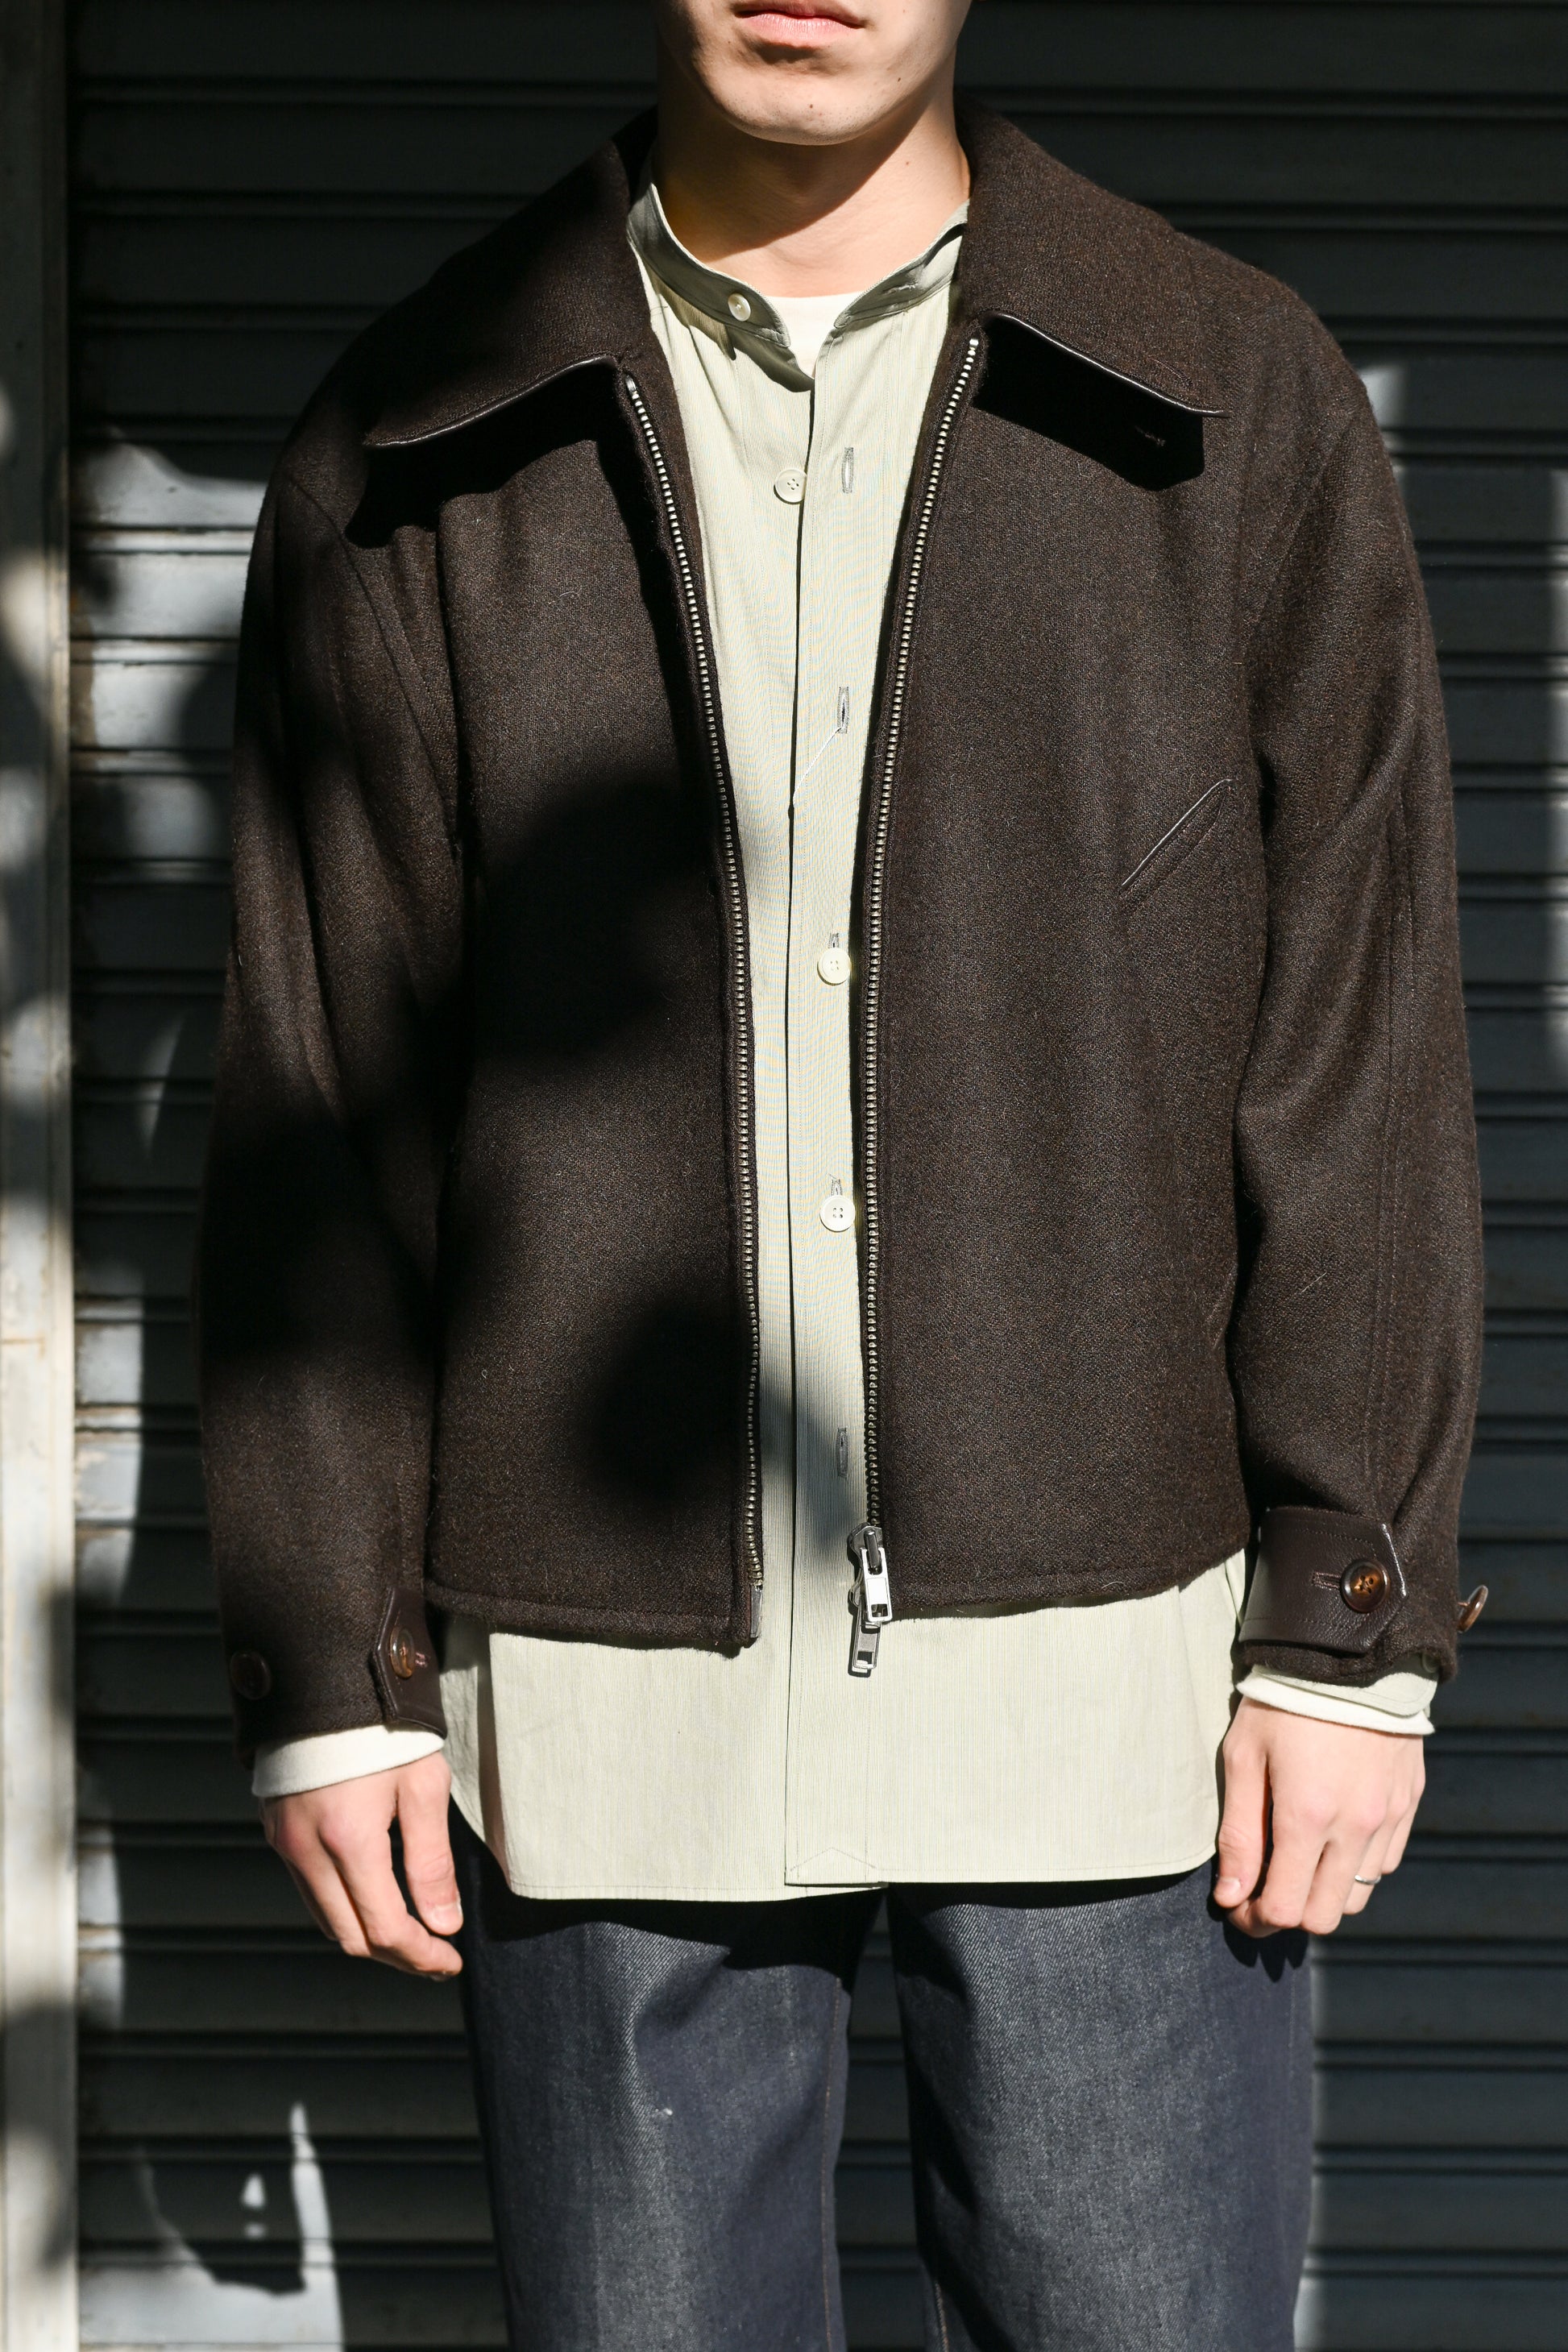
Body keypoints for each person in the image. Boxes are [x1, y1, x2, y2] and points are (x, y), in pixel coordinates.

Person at [197, 2, 1486, 2345]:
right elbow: (324, 1075)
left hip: (1115, 1700)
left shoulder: (1225, 388)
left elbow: (1358, 1038)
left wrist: (1349, 1623)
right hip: (597, 1707)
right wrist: (331, 1655)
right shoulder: (418, 433)